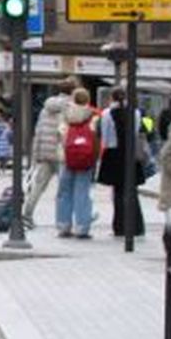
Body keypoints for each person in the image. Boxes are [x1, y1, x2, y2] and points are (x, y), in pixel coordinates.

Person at [24, 78, 78, 225]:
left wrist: (36, 154)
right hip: (62, 154)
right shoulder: (71, 108)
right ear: (72, 91)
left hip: (45, 153)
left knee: (38, 186)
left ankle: (27, 214)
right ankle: (63, 220)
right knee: (65, 189)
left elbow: (38, 131)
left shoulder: (45, 108)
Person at [97, 90, 147, 238]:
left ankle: (119, 226)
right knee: (132, 191)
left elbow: (104, 137)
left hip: (114, 154)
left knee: (118, 193)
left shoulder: (106, 114)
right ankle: (136, 225)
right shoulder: (135, 112)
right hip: (130, 154)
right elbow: (138, 131)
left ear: (111, 97)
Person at [55, 88, 99, 238]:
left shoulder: (65, 115)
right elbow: (95, 139)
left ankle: (63, 225)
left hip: (66, 157)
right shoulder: (93, 116)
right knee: (82, 192)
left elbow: (60, 135)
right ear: (87, 100)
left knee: (64, 192)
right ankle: (82, 226)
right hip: (85, 159)